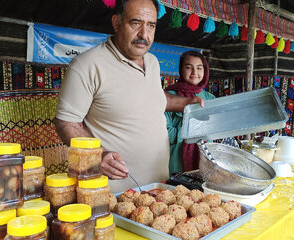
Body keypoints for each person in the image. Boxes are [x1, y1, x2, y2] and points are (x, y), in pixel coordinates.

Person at [54, 0, 203, 193]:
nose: (144, 34)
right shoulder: (87, 65)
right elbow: (66, 123)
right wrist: (97, 156)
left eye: (151, 25)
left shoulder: (152, 62)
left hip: (158, 188)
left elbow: (155, 98)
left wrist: (186, 103)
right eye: (135, 23)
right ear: (116, 22)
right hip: (111, 197)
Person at [165, 51, 215, 175]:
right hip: (175, 161)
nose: (194, 73)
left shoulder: (210, 98)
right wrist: (191, 132)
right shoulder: (169, 96)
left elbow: (214, 132)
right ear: (181, 70)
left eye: (199, 68)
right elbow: (164, 132)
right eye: (188, 67)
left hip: (205, 159)